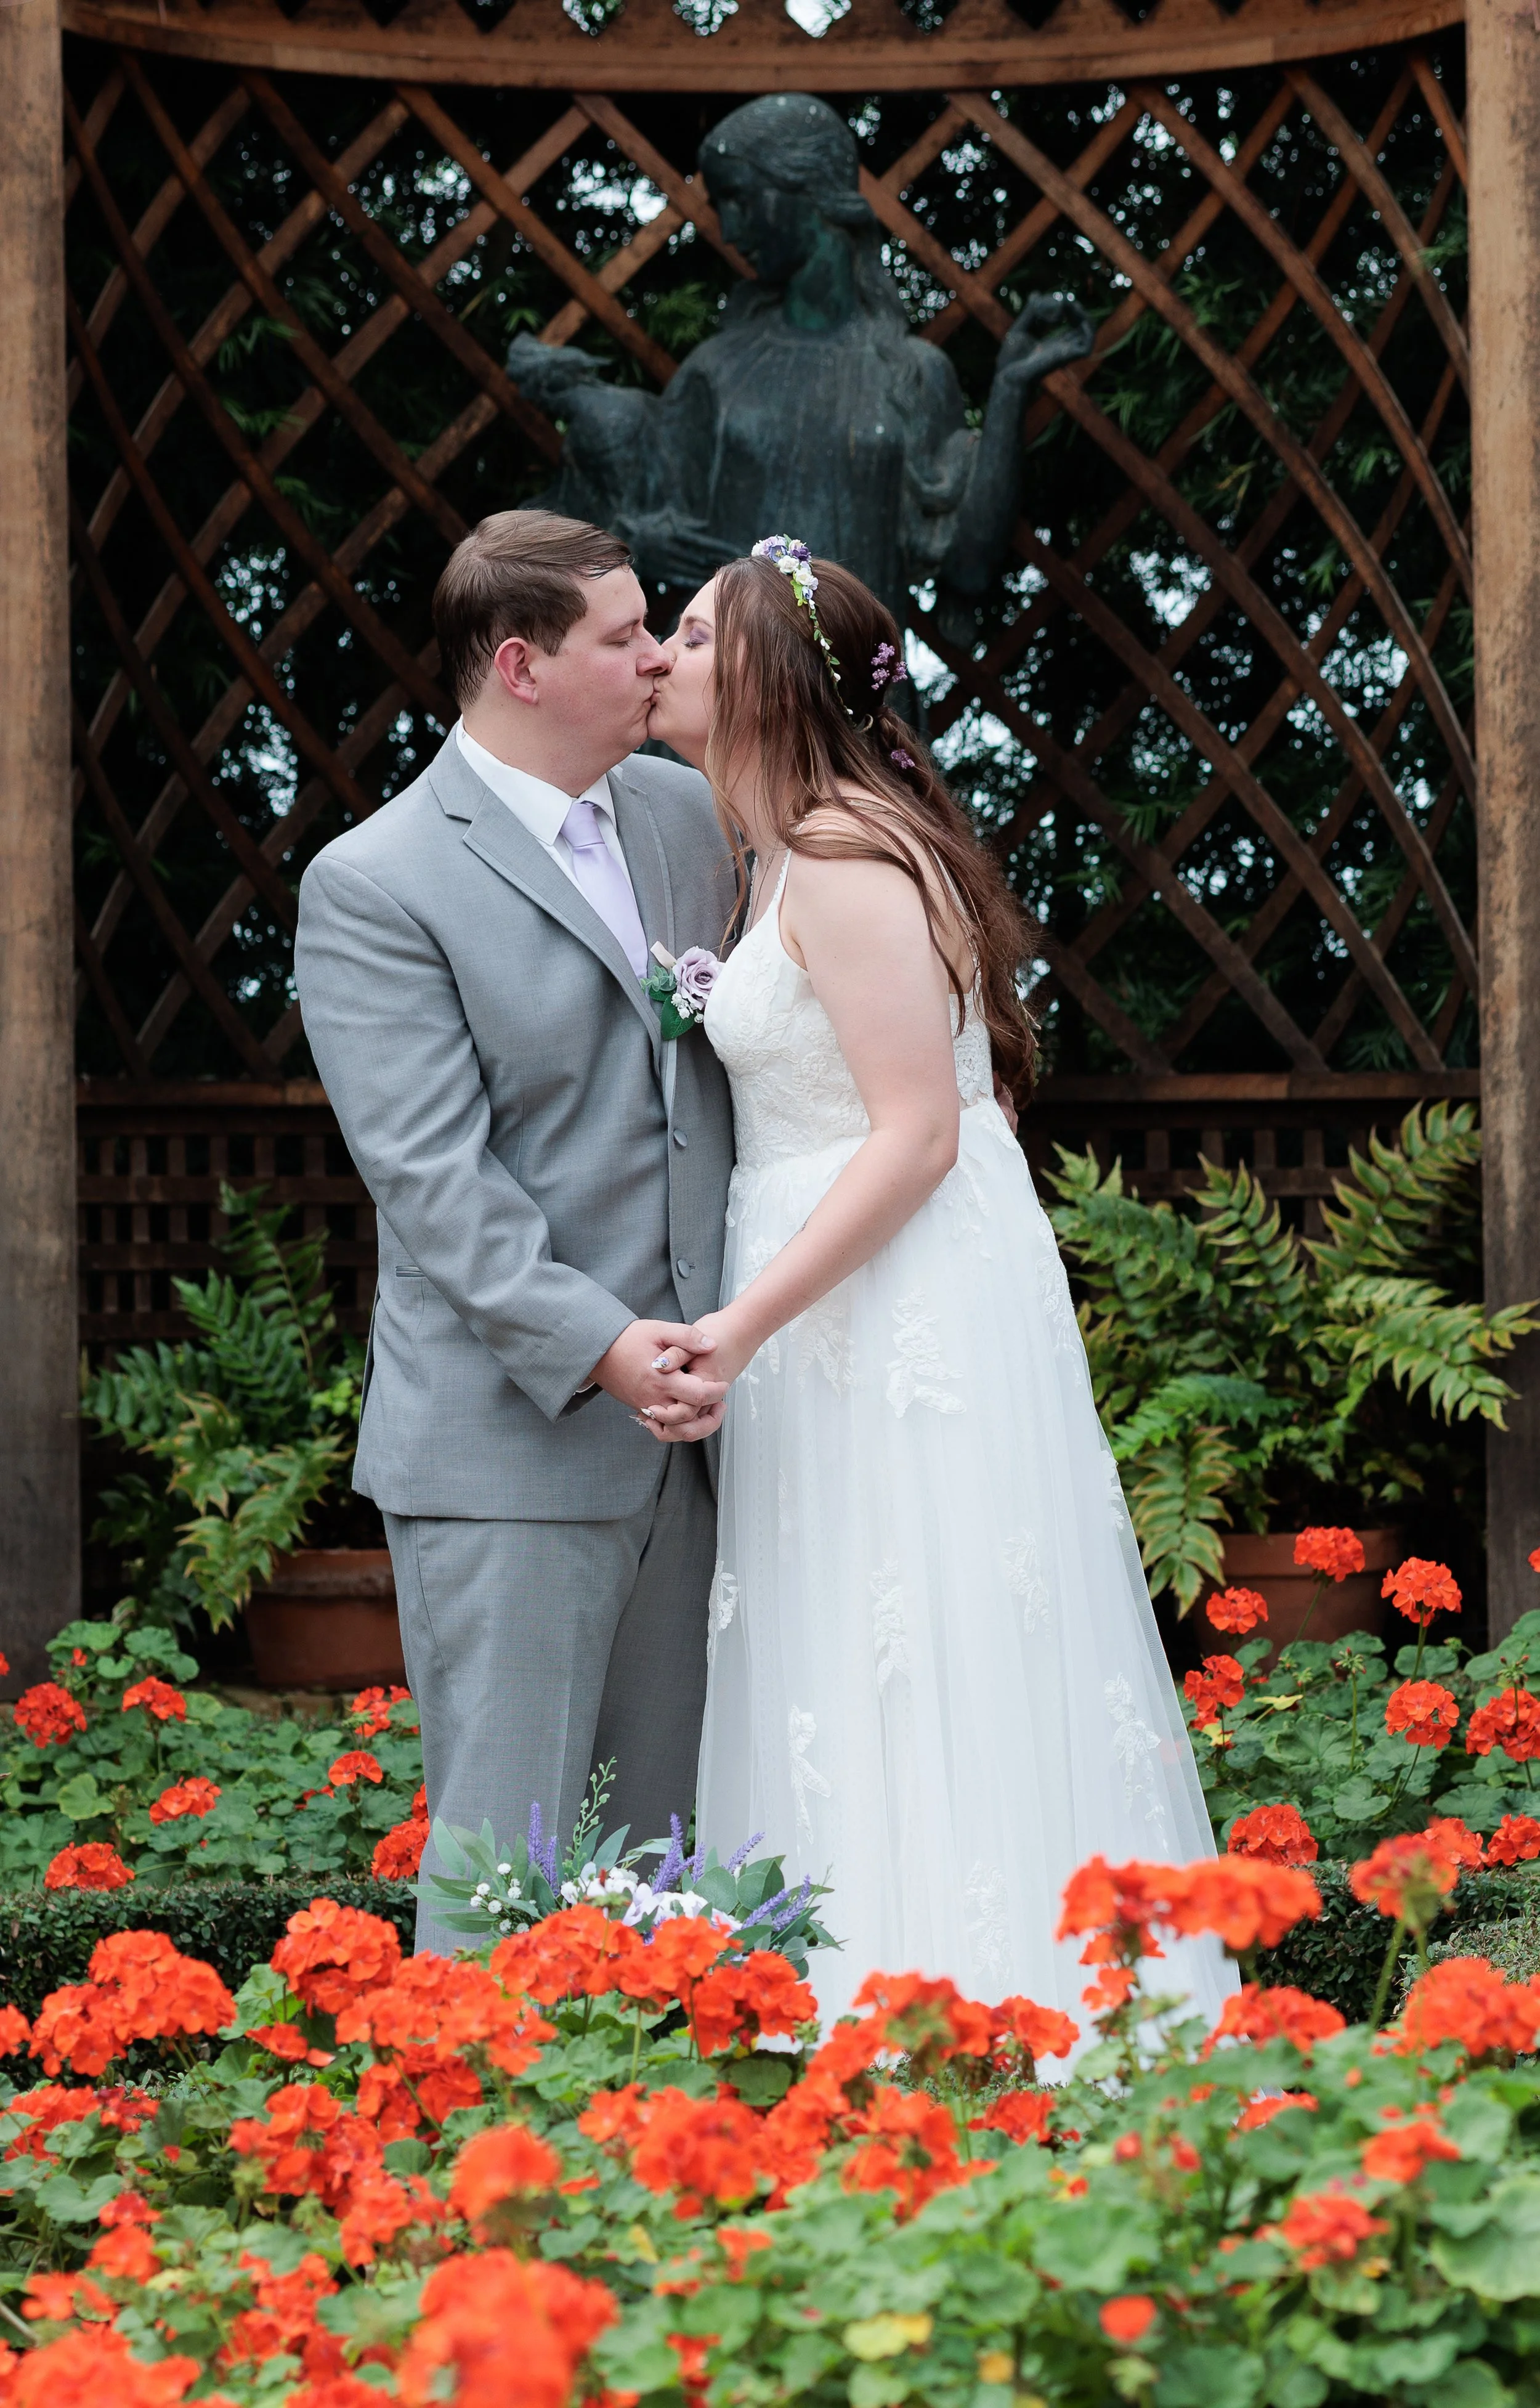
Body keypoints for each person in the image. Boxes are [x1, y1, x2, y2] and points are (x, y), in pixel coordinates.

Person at [644, 543, 1238, 2028]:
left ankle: (964, 2015)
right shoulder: (773, 847)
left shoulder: (844, 857)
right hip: (832, 1300)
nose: (662, 648)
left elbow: (918, 1134)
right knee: (844, 1650)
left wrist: (736, 1321)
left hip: (876, 1302)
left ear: (767, 678)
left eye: (695, 630)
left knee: (920, 1640)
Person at [294, 511, 736, 1952]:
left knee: (664, 1870)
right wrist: (607, 1346)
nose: (660, 653)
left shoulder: (683, 817)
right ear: (519, 665)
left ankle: (657, 2162)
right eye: (624, 634)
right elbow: (434, 1184)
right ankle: (463, 2167)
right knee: (506, 1880)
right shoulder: (377, 882)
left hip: (707, 1436)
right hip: (512, 1449)